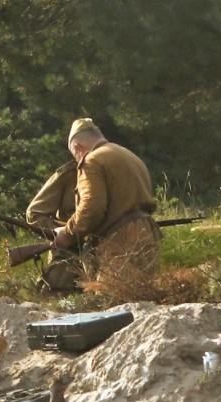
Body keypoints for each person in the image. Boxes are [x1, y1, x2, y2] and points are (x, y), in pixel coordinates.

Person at [52, 118, 162, 290]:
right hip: (147, 235)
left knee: (113, 302)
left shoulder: (92, 161)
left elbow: (91, 208)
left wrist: (66, 234)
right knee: (142, 297)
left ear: (78, 149)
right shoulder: (128, 155)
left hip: (119, 242)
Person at [25, 159, 81, 293]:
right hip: (67, 256)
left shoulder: (113, 170)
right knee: (53, 298)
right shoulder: (70, 174)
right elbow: (35, 213)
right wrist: (60, 232)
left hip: (105, 255)